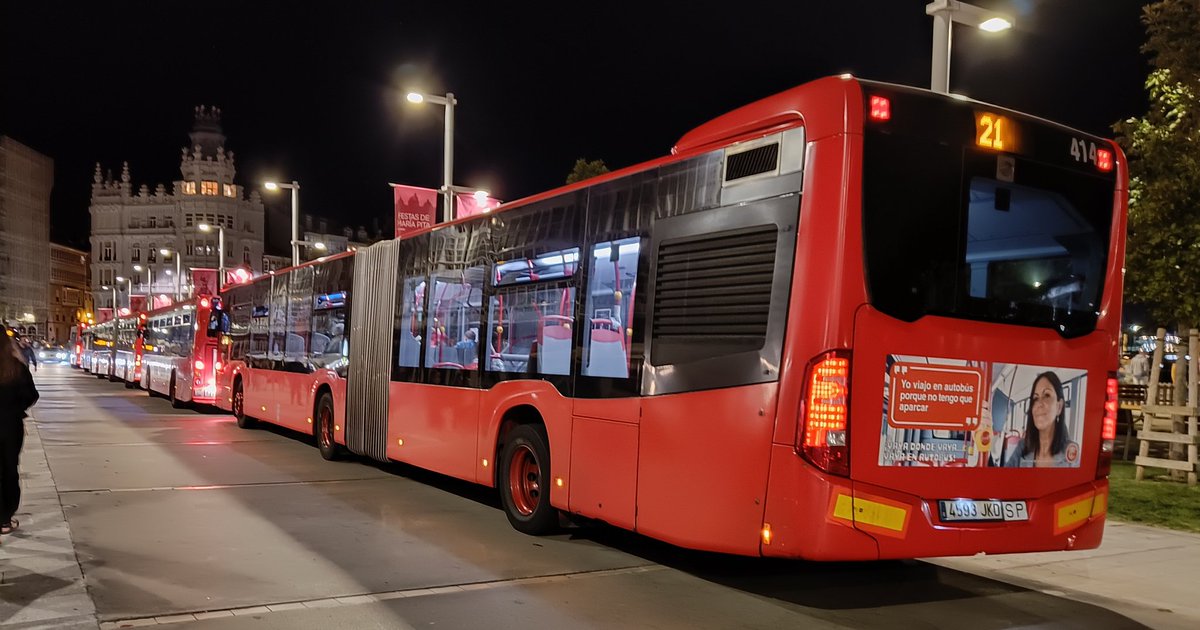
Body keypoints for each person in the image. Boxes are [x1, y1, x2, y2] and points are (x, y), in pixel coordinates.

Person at [0, 330, 40, 542]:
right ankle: (5, 519)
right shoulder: (15, 368)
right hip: (9, 425)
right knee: (9, 469)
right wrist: (16, 409)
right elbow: (32, 395)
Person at [1004, 371, 1078, 468]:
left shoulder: (1072, 453)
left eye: (1046, 395)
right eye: (1035, 398)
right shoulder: (1022, 447)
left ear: (1059, 407)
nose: (1039, 403)